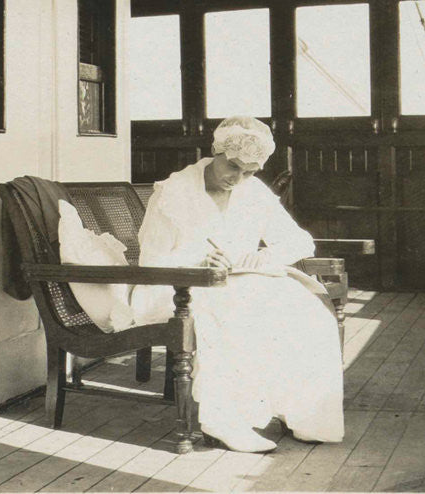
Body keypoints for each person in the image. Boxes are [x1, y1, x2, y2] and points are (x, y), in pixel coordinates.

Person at [133, 116, 345, 453]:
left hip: (237, 282)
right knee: (240, 313)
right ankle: (226, 422)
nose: (239, 177)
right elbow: (152, 263)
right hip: (178, 288)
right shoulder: (174, 192)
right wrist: (199, 261)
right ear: (216, 151)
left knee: (309, 312)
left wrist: (264, 256)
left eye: (250, 171)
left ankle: (303, 414)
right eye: (233, 166)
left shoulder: (251, 190)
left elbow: (300, 242)